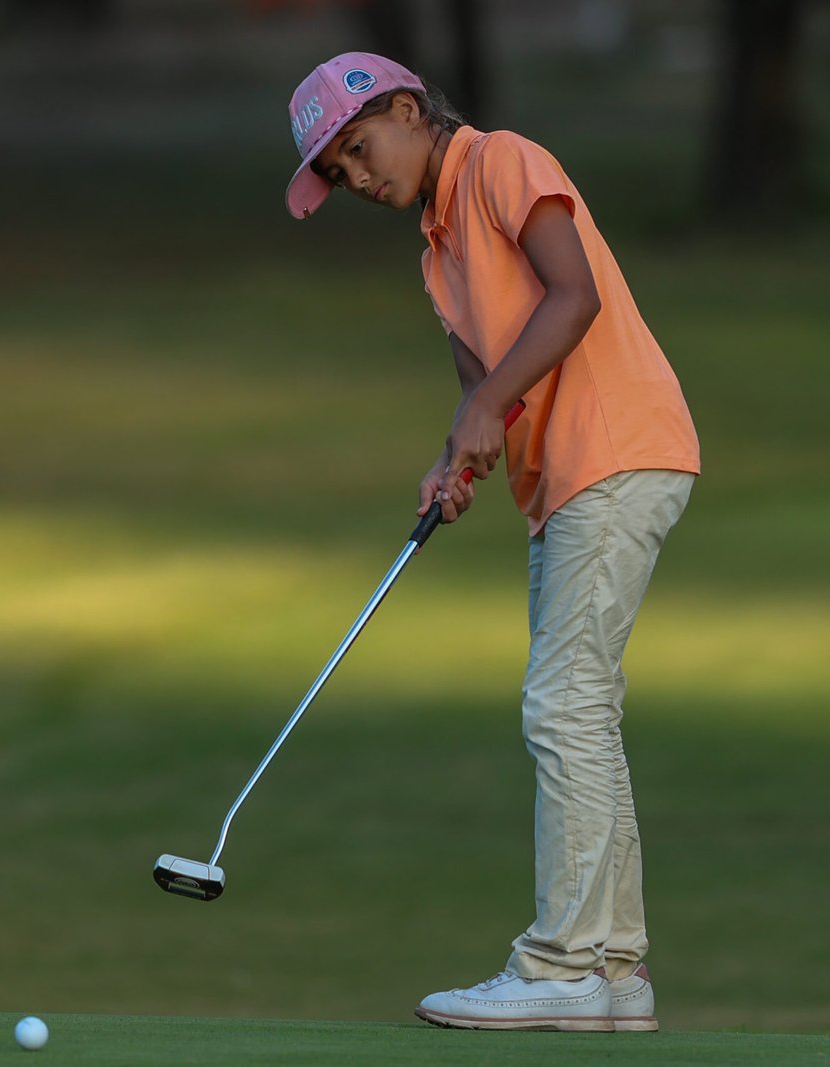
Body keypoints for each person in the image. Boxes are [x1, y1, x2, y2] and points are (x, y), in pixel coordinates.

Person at [285, 52, 700, 1033]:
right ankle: (615, 969)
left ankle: (561, 964)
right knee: (585, 711)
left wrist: (481, 406)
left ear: (406, 109)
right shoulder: (437, 256)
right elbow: (491, 394)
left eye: (358, 148)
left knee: (562, 704)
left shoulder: (502, 160)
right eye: (339, 172)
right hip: (563, 481)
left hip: (616, 449)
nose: (357, 177)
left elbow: (573, 294)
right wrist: (456, 456)